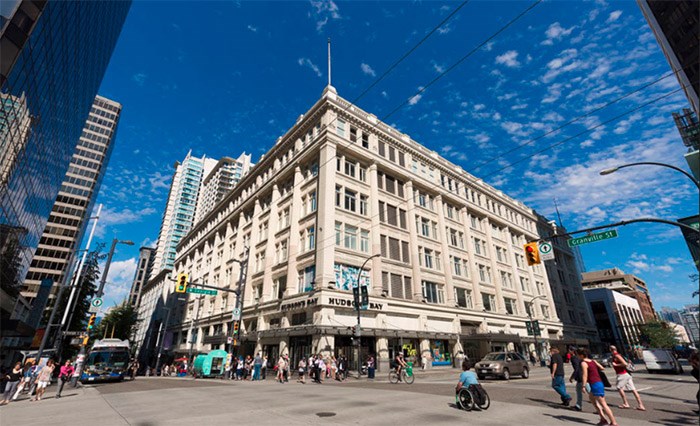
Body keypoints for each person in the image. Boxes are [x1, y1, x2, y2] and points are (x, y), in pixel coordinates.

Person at [579, 348, 617, 426]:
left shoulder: (583, 363)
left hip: (595, 383)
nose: (578, 356)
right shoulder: (593, 361)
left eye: (578, 354)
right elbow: (602, 368)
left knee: (603, 404)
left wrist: (583, 385)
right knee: (593, 400)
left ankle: (613, 422)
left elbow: (585, 375)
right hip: (598, 383)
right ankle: (603, 419)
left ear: (581, 355)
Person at [609, 345, 645, 411]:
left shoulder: (616, 355)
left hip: (622, 374)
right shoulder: (618, 355)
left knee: (619, 388)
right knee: (633, 389)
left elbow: (625, 364)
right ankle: (641, 405)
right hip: (626, 374)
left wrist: (616, 365)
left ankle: (626, 403)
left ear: (610, 349)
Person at [568, 347, 583, 411]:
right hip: (582, 376)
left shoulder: (574, 358)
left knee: (591, 392)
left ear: (572, 351)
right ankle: (578, 405)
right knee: (579, 391)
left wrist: (572, 377)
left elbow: (576, 368)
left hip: (581, 377)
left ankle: (600, 406)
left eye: (569, 350)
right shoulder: (579, 357)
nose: (568, 351)